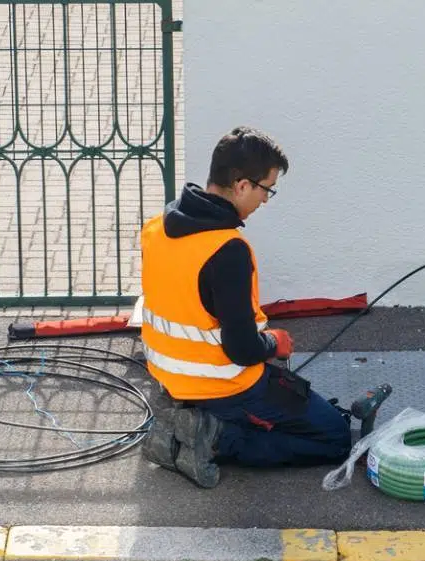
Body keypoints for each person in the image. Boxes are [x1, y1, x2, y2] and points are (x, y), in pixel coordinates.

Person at [139, 126, 351, 488]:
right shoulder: (227, 251)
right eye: (266, 189)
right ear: (241, 185)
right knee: (334, 436)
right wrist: (275, 342)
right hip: (221, 383)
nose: (266, 200)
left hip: (166, 375)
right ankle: (218, 437)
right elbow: (242, 350)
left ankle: (189, 422)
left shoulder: (157, 227)